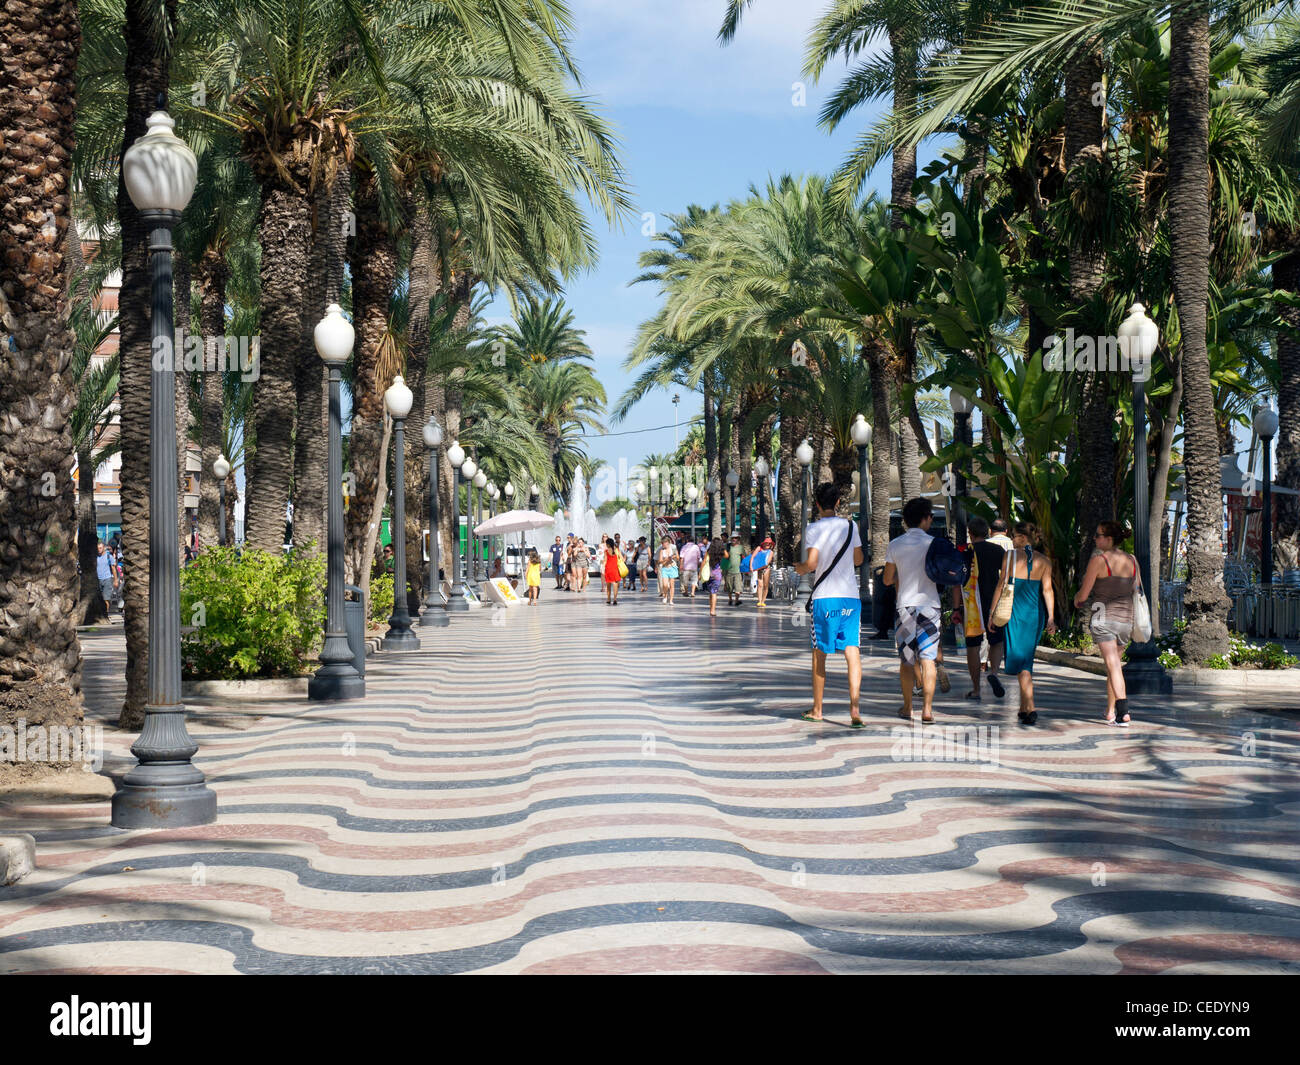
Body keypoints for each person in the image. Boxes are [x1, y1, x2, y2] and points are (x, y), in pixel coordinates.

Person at [793, 482, 865, 727]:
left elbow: (811, 564)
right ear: (837, 502)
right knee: (852, 651)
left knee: (819, 654)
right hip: (850, 598)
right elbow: (858, 558)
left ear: (816, 504)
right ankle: (854, 710)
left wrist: (799, 568)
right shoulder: (850, 525)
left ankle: (817, 709)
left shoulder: (813, 528)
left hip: (825, 598)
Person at [989, 521, 1056, 725]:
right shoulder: (1044, 561)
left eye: (1015, 536)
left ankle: (1031, 706)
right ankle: (1023, 707)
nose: (1012, 540)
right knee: (1025, 659)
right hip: (1035, 615)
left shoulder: (1009, 556)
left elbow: (1001, 585)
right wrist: (1051, 617)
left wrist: (992, 612)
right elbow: (1047, 590)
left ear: (1023, 538)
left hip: (1015, 613)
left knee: (1022, 662)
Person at [884, 497, 943, 724]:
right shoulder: (934, 543)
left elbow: (888, 579)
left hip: (905, 607)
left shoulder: (895, 545)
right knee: (928, 658)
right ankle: (927, 710)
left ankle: (908, 707)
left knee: (907, 660)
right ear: (925, 518)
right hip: (930, 606)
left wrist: (902, 574)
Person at [1074, 520, 1136, 726]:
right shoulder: (1132, 560)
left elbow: (1083, 595)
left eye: (1098, 535)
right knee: (1114, 665)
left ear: (1109, 539)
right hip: (1126, 619)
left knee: (1112, 664)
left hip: (1103, 618)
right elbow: (1135, 589)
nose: (1094, 538)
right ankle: (1110, 711)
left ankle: (1123, 710)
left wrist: (1077, 600)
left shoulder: (1099, 561)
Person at [951, 516, 1006, 701]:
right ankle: (995, 673)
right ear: (987, 532)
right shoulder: (997, 550)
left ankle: (976, 689)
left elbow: (957, 583)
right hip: (994, 603)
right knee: (996, 641)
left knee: (973, 646)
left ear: (970, 533)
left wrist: (956, 608)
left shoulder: (964, 551)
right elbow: (1005, 576)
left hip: (971, 604)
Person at [95, 540, 117, 620]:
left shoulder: (109, 556)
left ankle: (105, 614)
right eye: (98, 548)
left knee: (106, 598)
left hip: (107, 579)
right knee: (98, 598)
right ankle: (99, 614)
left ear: (104, 548)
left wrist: (115, 580)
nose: (99, 549)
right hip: (98, 580)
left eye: (100, 548)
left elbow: (113, 569)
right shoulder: (95, 557)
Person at [704, 537, 726, 617]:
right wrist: (722, 548)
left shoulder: (709, 551)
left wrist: (700, 573)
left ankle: (711, 609)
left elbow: (704, 562)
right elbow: (727, 556)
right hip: (717, 575)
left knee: (711, 592)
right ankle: (712, 610)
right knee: (714, 592)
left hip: (709, 574)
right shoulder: (721, 552)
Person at [657, 535, 679, 605]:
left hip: (672, 568)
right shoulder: (661, 551)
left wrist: (673, 556)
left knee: (672, 585)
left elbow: (678, 557)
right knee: (665, 585)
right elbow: (659, 561)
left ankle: (671, 600)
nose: (662, 544)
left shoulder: (673, 549)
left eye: (663, 543)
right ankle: (665, 596)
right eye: (662, 543)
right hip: (665, 568)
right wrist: (666, 559)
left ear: (667, 542)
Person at [725, 533, 745, 606]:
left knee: (738, 588)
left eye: (736, 538)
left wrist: (745, 567)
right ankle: (730, 599)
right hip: (728, 571)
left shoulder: (741, 548)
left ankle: (736, 600)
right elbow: (724, 558)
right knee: (729, 588)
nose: (734, 539)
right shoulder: (727, 547)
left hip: (738, 571)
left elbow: (744, 557)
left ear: (738, 539)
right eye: (733, 538)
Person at [601, 536, 622, 605]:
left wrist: (602, 567)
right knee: (615, 584)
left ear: (608, 544)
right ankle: (615, 599)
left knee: (608, 585)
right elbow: (621, 558)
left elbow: (605, 560)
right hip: (615, 569)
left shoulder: (606, 551)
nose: (606, 545)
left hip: (608, 569)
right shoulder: (617, 550)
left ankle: (608, 599)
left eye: (606, 544)